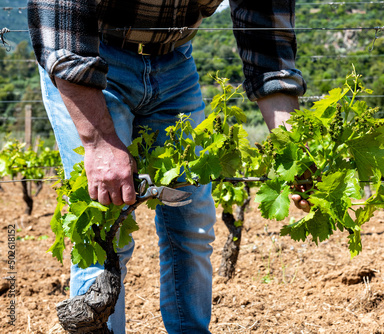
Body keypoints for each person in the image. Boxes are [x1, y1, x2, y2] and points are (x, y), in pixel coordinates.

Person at [28, 1, 309, 333]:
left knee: (192, 229)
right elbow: (59, 14)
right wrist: (98, 141)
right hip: (89, 59)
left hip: (176, 62)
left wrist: (294, 153)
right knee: (104, 232)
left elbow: (268, 42)